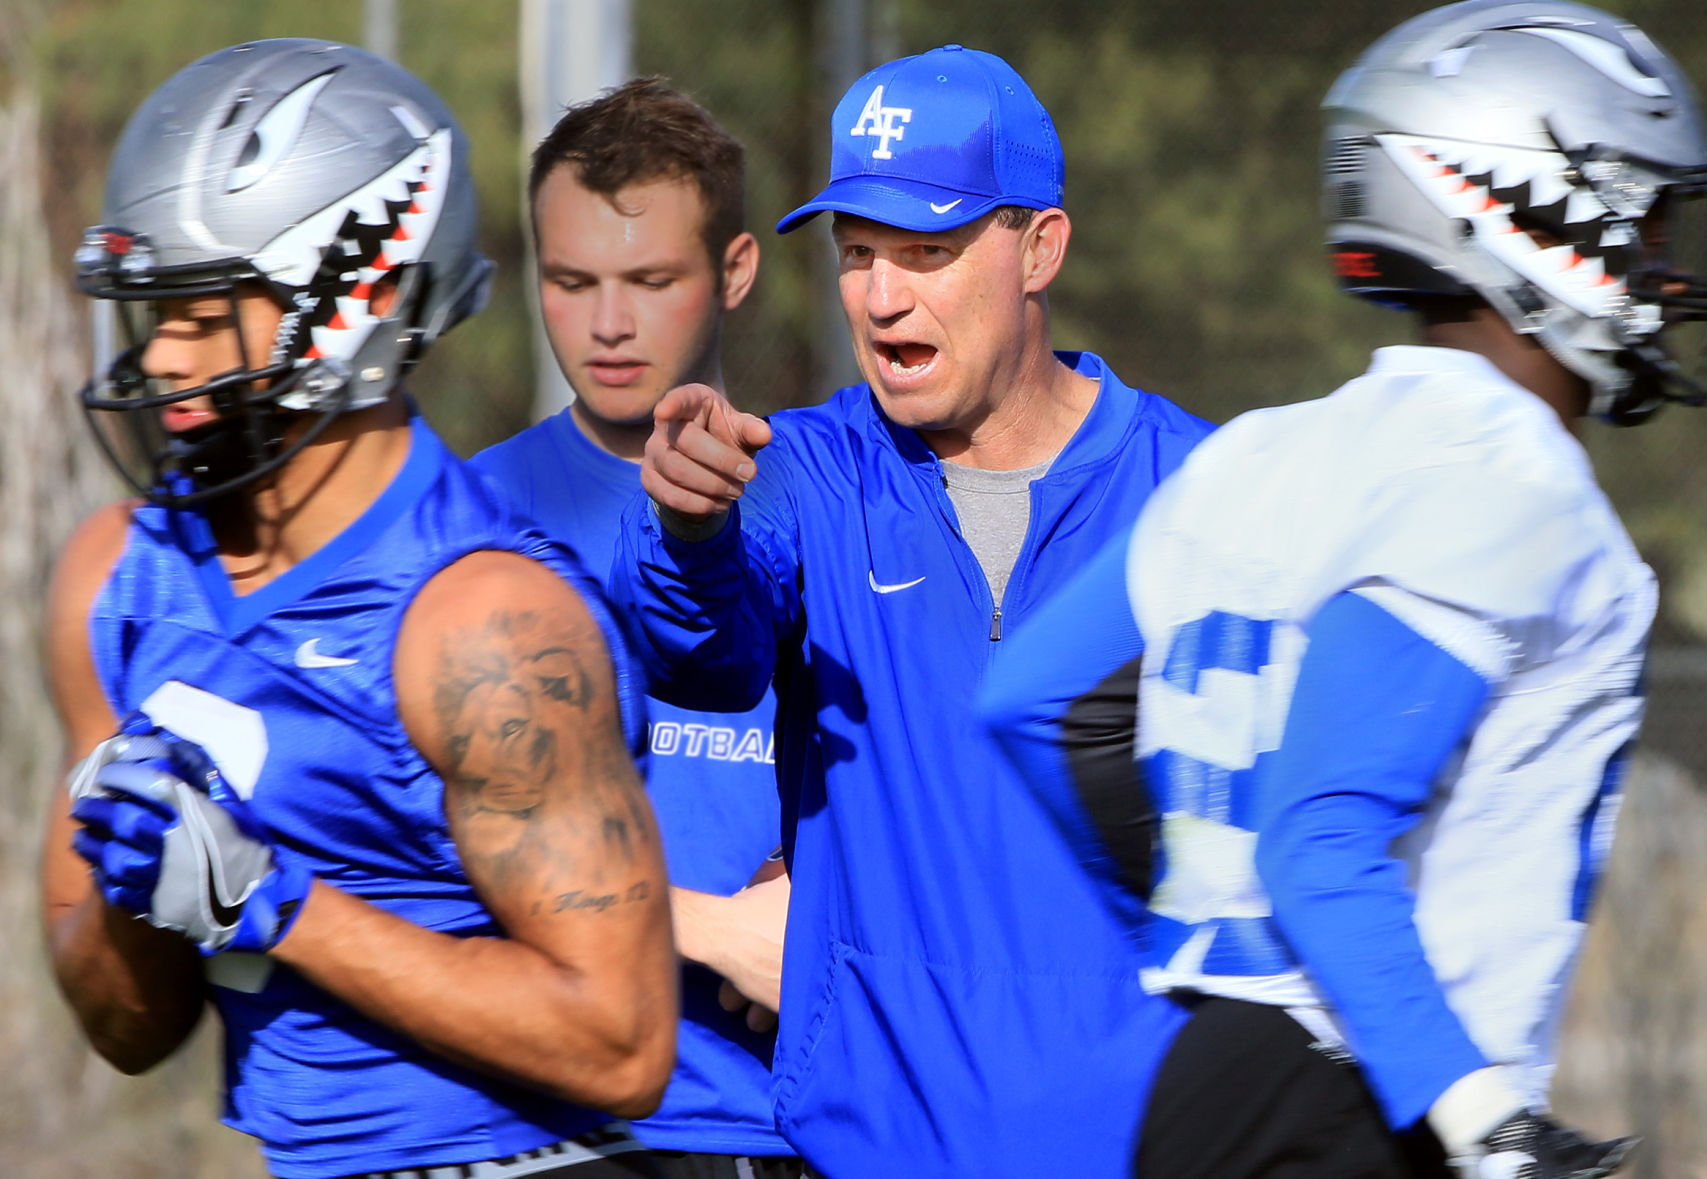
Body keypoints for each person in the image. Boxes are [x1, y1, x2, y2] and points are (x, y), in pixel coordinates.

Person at [981, 3, 1707, 1176]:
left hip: (1211, 1087)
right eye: (1643, 221)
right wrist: (1483, 1126)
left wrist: (1200, 905)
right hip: (1365, 1105)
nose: (1664, 269)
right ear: (1517, 205)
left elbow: (1030, 701)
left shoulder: (1259, 451)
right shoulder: (1510, 479)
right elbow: (1319, 832)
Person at [39, 40, 678, 1179]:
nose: (160, 357)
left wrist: (272, 904)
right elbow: (125, 1032)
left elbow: (621, 1043)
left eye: (200, 311)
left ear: (358, 300)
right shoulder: (116, 579)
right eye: (152, 314)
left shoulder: (484, 622)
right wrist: (145, 882)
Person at [612, 44, 1214, 1178]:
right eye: (856, 255)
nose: (882, 297)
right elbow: (705, 651)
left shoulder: (1202, 493)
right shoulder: (806, 472)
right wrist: (686, 527)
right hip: (865, 1152)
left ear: (1039, 248)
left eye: (927, 252)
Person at [471, 78, 799, 1179]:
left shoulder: (845, 497)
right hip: (555, 1134)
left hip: (812, 1120)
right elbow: (407, 844)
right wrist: (711, 930)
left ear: (734, 273)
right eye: (572, 282)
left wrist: (828, 894)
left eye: (650, 280)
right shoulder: (460, 527)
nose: (608, 324)